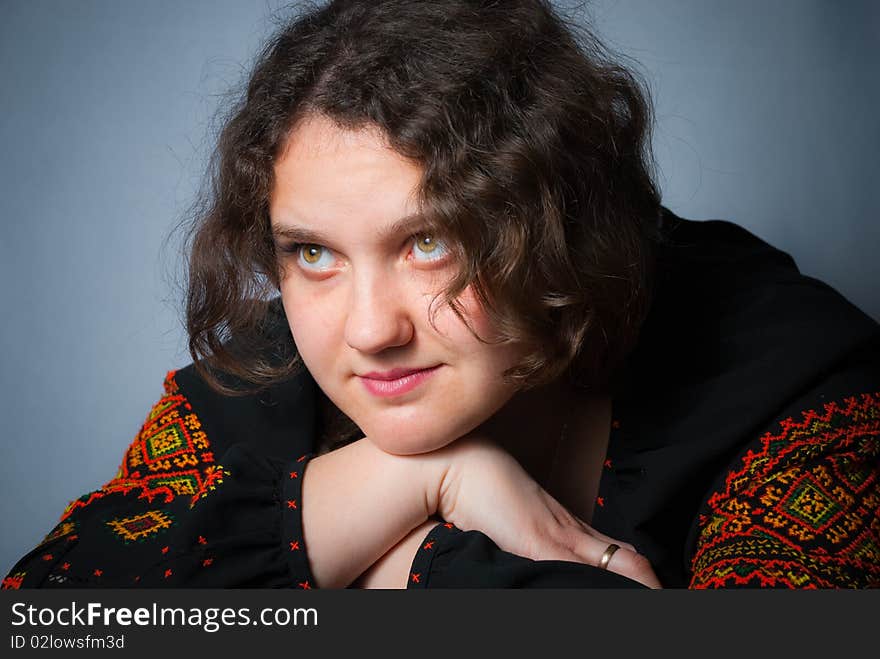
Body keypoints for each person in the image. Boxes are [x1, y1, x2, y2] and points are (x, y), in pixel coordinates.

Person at [4, 0, 878, 590]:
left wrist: (395, 567)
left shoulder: (794, 392)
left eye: (429, 242)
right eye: (313, 252)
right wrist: (419, 481)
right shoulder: (264, 380)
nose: (368, 328)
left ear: (559, 225)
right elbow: (52, 616)